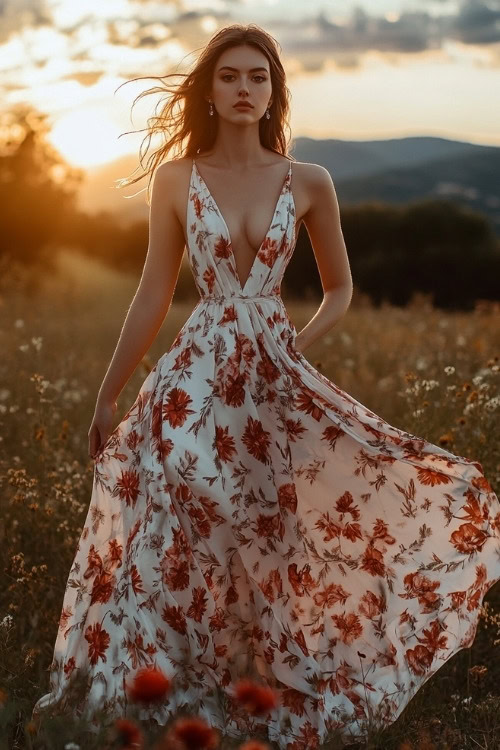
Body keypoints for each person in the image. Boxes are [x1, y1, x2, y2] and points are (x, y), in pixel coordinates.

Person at [33, 23, 500, 750]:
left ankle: (245, 681)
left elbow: (341, 289)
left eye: (259, 76)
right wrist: (107, 391)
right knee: (178, 524)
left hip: (272, 390)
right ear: (210, 92)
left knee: (267, 535)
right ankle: (153, 686)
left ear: (274, 90)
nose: (245, 88)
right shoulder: (176, 179)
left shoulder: (309, 180)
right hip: (191, 381)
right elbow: (154, 291)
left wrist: (293, 353)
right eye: (230, 77)